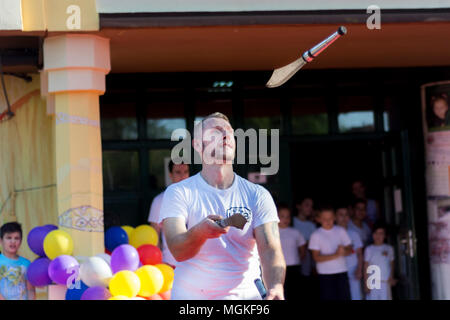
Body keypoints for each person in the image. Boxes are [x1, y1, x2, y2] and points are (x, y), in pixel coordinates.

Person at [159, 112, 286, 300]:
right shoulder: (178, 192)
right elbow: (178, 250)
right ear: (197, 145)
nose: (226, 135)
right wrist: (200, 232)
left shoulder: (257, 194)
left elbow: (270, 249)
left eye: (229, 132)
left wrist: (275, 286)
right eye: (216, 132)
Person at [148, 160, 190, 267]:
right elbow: (154, 236)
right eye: (178, 172)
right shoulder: (159, 201)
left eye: (185, 172)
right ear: (170, 175)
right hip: (169, 264)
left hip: (195, 265)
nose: (182, 176)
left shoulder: (197, 199)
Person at [308, 206, 352, 300]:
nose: (328, 221)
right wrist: (336, 255)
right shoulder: (316, 235)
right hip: (325, 274)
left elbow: (350, 249)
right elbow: (316, 258)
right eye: (324, 219)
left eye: (330, 218)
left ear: (334, 218)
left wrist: (344, 251)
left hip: (341, 272)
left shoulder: (341, 231)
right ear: (318, 219)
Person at [277, 203, 306, 300]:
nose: (285, 219)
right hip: (278, 268)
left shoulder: (295, 232)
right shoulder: (272, 232)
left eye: (288, 216)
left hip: (294, 268)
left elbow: (302, 250)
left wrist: (297, 260)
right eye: (282, 216)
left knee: (295, 292)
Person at [0, 222, 35, 300]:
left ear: (21, 241)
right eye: (9, 238)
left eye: (16, 238)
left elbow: (31, 290)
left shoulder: (26, 263)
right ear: (1, 240)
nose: (13, 241)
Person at [335, 205, 364, 300]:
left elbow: (359, 253)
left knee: (355, 297)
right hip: (336, 272)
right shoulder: (331, 234)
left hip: (353, 272)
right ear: (335, 217)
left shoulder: (354, 234)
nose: (344, 218)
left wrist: (359, 269)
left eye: (346, 215)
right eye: (341, 215)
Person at [292, 197, 318, 298]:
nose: (310, 209)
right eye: (307, 205)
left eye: (311, 206)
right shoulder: (291, 222)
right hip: (294, 265)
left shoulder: (312, 225)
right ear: (298, 206)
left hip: (308, 267)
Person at [364, 223, 397, 300]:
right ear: (372, 235)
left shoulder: (389, 248)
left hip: (385, 282)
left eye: (381, 233)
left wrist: (391, 277)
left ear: (385, 236)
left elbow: (391, 263)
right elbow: (366, 266)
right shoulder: (369, 249)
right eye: (376, 233)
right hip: (373, 282)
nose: (378, 236)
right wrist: (366, 284)